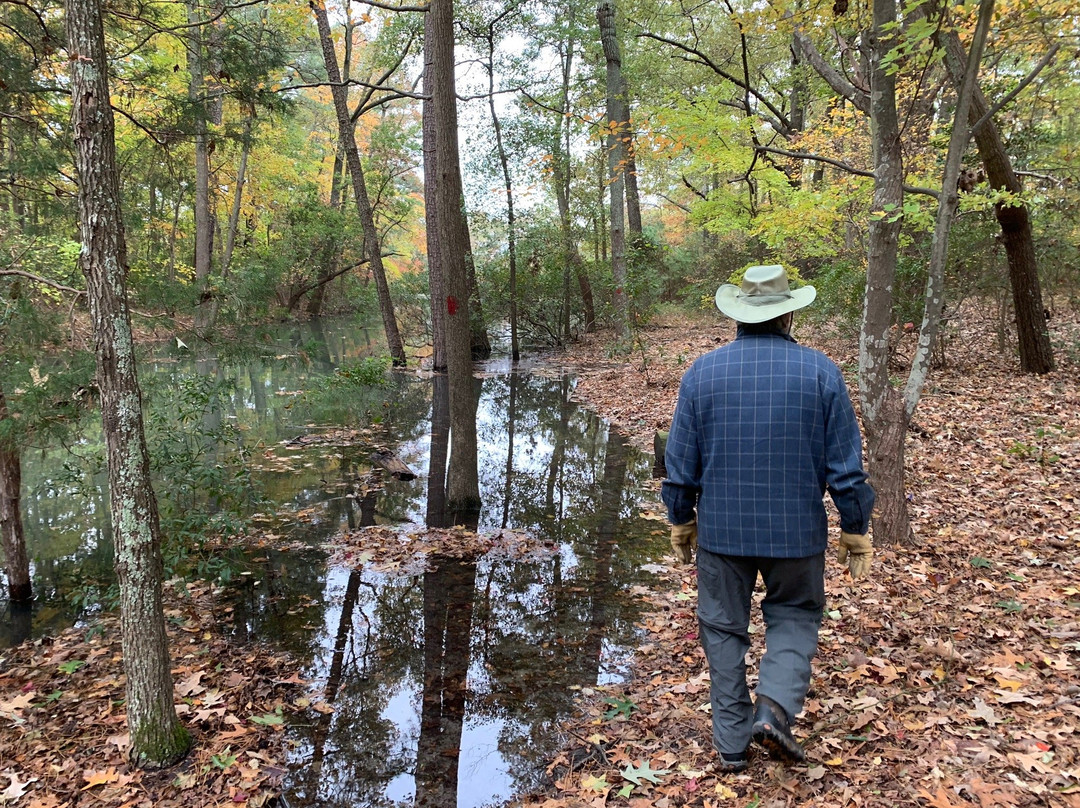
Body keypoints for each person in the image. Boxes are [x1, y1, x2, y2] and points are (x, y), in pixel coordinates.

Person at [662, 264, 875, 771]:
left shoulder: (701, 372)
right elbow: (845, 466)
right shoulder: (822, 372)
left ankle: (732, 746)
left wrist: (680, 517)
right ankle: (774, 710)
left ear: (738, 315)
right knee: (795, 616)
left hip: (723, 532)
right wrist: (854, 527)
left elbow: (680, 460)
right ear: (789, 315)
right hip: (796, 532)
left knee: (721, 628)